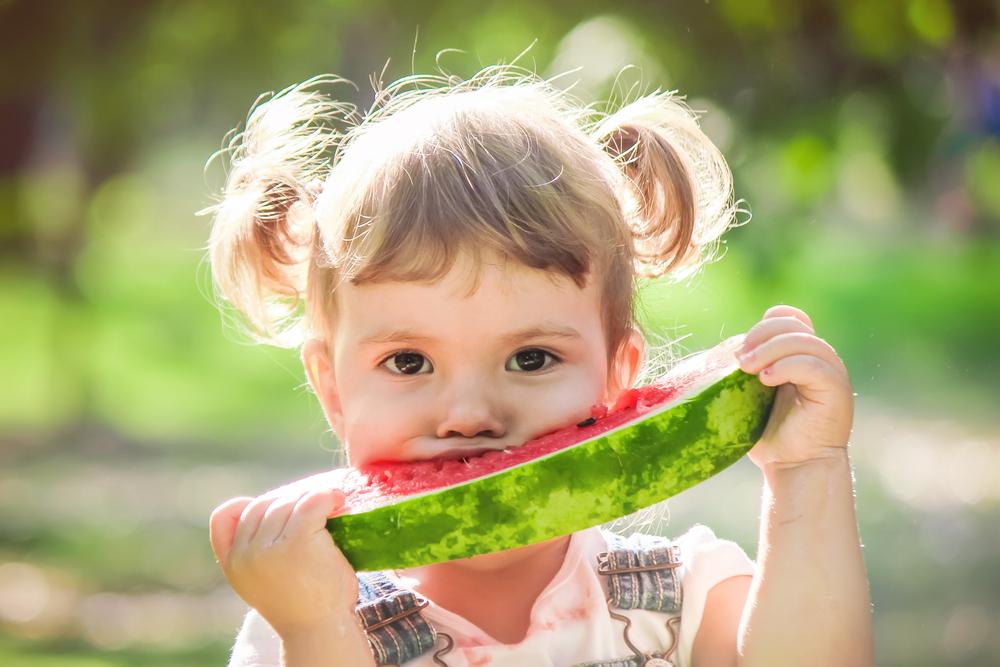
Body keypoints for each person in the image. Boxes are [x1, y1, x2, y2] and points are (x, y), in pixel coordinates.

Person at [204, 67, 874, 667]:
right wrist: (316, 628)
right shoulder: (297, 624)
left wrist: (806, 473)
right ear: (333, 389)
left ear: (617, 376)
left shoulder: (681, 596)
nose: (470, 413)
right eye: (408, 361)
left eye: (531, 358)